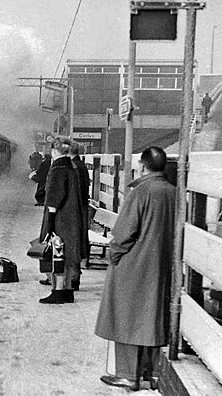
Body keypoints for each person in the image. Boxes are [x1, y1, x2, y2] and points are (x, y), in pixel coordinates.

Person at [95, 147, 175, 391]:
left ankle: (128, 375)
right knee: (151, 317)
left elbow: (123, 234)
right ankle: (150, 373)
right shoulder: (174, 193)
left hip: (133, 265)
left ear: (142, 165)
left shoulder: (139, 192)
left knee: (125, 317)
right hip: (160, 265)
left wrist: (114, 256)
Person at [37, 137, 84, 304]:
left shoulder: (57, 168)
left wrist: (49, 223)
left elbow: (54, 197)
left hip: (60, 219)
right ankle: (68, 291)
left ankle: (58, 292)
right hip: (72, 218)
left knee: (57, 254)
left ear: (54, 151)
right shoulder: (72, 167)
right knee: (68, 255)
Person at [68, 141, 90, 291]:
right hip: (80, 209)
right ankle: (72, 278)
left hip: (74, 211)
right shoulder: (81, 165)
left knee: (71, 244)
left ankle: (72, 280)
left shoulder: (73, 167)